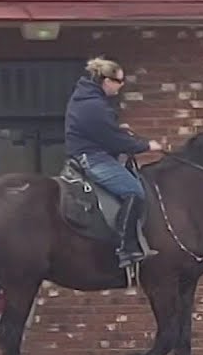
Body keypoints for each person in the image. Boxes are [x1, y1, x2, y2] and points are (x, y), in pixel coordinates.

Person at [64, 57, 164, 269]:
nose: (121, 85)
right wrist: (146, 146)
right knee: (134, 191)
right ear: (105, 80)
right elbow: (112, 139)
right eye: (118, 81)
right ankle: (126, 247)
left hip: (91, 152)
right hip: (92, 157)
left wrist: (119, 130)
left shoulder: (88, 100)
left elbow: (105, 132)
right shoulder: (93, 105)